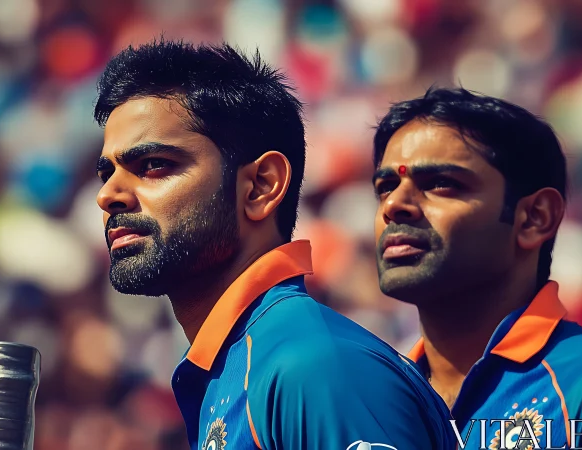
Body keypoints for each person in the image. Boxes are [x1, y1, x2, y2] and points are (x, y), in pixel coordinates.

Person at [93, 39, 454, 450]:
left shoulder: (316, 367)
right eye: (107, 172)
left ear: (261, 186)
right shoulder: (242, 365)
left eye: (154, 165)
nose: (108, 195)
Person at [371, 87, 582, 450]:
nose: (395, 205)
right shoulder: (375, 401)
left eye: (441, 184)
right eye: (386, 187)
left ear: (534, 217)